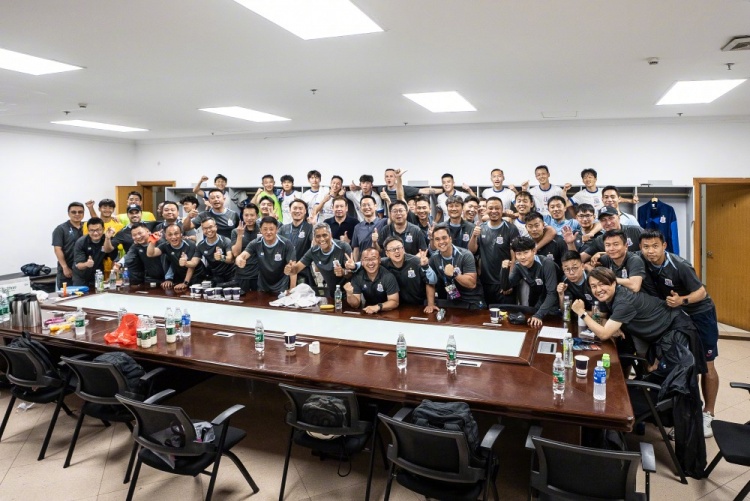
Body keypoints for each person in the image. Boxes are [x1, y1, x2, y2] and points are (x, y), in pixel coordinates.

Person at [640, 229, 720, 437]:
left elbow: (701, 292)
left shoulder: (679, 265)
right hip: (677, 317)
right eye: (646, 247)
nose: (650, 251)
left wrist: (681, 300)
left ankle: (708, 413)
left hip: (700, 314)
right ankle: (687, 414)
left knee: (707, 364)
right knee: (684, 364)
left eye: (655, 246)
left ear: (664, 246)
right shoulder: (642, 261)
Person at [500, 236, 561, 327]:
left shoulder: (547, 264)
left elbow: (552, 293)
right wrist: (504, 270)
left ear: (534, 251)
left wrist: (538, 315)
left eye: (526, 252)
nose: (522, 257)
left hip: (555, 304)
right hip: (537, 303)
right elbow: (506, 287)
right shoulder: (518, 266)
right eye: (519, 254)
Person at [470, 196, 519, 305]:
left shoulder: (511, 228)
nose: (494, 211)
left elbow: (515, 258)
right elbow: (472, 251)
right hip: (485, 282)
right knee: (486, 314)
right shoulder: (481, 228)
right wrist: (473, 236)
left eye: (497, 208)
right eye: (490, 208)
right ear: (486, 210)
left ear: (502, 209)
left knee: (506, 314)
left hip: (504, 283)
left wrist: (509, 282)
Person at [285, 222, 354, 298]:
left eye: (325, 235)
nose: (322, 239)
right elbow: (296, 269)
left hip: (350, 293)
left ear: (331, 235)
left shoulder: (343, 247)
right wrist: (289, 269)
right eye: (318, 236)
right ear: (314, 238)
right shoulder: (313, 251)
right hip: (331, 293)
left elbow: (351, 273)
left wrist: (343, 272)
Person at [425, 224, 485, 311]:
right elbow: (430, 282)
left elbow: (472, 284)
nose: (441, 242)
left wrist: (454, 274)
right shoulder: (434, 258)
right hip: (453, 300)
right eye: (437, 239)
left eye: (444, 238)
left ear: (450, 239)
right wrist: (430, 304)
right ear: (434, 242)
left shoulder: (465, 255)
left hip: (472, 302)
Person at [235, 216, 296, 294]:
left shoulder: (286, 244)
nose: (268, 232)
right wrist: (239, 261)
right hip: (262, 287)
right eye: (265, 229)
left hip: (282, 287)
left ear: (277, 229)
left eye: (271, 229)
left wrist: (292, 289)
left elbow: (293, 267)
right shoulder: (256, 243)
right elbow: (241, 256)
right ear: (260, 230)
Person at [146, 223, 204, 292]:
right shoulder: (165, 246)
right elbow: (150, 254)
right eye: (170, 235)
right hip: (182, 277)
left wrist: (185, 283)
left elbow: (191, 267)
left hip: (197, 276)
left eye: (176, 234)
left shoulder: (190, 244)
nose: (173, 237)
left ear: (181, 234)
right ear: (166, 237)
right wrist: (152, 240)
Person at [573, 206, 643, 262]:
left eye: (611, 218)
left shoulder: (635, 230)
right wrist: (570, 243)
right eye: (603, 220)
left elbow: (648, 251)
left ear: (618, 217)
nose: (608, 223)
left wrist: (604, 254)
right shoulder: (600, 240)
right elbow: (580, 259)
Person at [380, 236, 434, 306]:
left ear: (403, 249)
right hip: (393, 305)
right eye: (392, 249)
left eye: (399, 248)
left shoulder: (416, 262)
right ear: (387, 253)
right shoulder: (382, 263)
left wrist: (431, 304)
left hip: (417, 304)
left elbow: (430, 282)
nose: (397, 251)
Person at [343, 248, 399, 314]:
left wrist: (378, 307)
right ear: (362, 262)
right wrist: (349, 294)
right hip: (368, 311)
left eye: (373, 258)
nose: (370, 263)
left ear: (379, 260)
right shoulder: (358, 276)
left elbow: (394, 302)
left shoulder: (388, 276)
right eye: (366, 259)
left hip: (388, 312)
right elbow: (355, 305)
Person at [72, 217, 117, 288]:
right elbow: (79, 265)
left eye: (98, 230)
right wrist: (87, 264)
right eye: (92, 230)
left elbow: (115, 259)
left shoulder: (107, 239)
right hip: (81, 278)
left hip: (98, 275)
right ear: (88, 230)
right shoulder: (81, 242)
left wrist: (112, 275)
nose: (95, 233)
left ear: (103, 229)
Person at [279, 199, 314, 286]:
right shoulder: (283, 228)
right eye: (294, 208)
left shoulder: (310, 228)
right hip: (285, 270)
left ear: (305, 211)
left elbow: (315, 245)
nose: (297, 211)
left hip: (303, 270)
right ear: (290, 210)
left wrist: (314, 226)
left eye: (300, 208)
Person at [52, 202, 85, 289]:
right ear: (68, 213)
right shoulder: (61, 229)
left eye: (80, 212)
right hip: (67, 270)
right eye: (74, 212)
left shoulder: (86, 226)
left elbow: (99, 222)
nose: (77, 214)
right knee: (67, 295)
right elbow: (57, 249)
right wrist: (65, 267)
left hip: (83, 270)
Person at [231, 203, 261, 293]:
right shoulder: (235, 231)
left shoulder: (262, 230)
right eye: (246, 215)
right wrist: (240, 235)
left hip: (259, 274)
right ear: (242, 216)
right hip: (242, 273)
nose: (249, 218)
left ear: (257, 216)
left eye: (252, 215)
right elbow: (235, 254)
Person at [196, 218, 235, 286]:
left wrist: (221, 258)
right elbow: (194, 262)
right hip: (216, 276)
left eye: (210, 227)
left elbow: (231, 259)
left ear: (216, 227)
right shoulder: (200, 245)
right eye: (205, 228)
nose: (208, 230)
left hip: (230, 274)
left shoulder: (225, 240)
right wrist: (186, 263)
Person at [351, 195, 388, 261]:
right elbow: (356, 249)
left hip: (381, 262)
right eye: (364, 205)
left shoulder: (384, 222)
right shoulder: (357, 227)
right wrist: (356, 264)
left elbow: (393, 218)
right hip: (364, 263)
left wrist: (388, 201)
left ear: (375, 206)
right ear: (360, 208)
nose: (366, 207)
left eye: (369, 204)